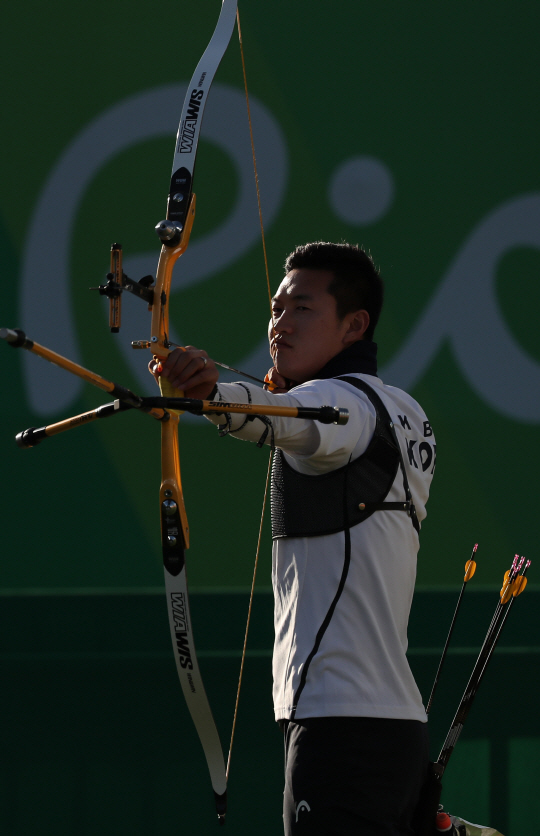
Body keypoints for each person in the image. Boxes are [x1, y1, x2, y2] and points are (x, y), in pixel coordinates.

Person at [153, 241, 435, 835]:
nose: (280, 322)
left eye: (301, 308)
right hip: (396, 730)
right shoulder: (404, 410)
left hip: (339, 727)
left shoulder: (343, 406)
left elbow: (298, 420)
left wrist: (209, 397)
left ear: (353, 324)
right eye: (277, 308)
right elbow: (294, 413)